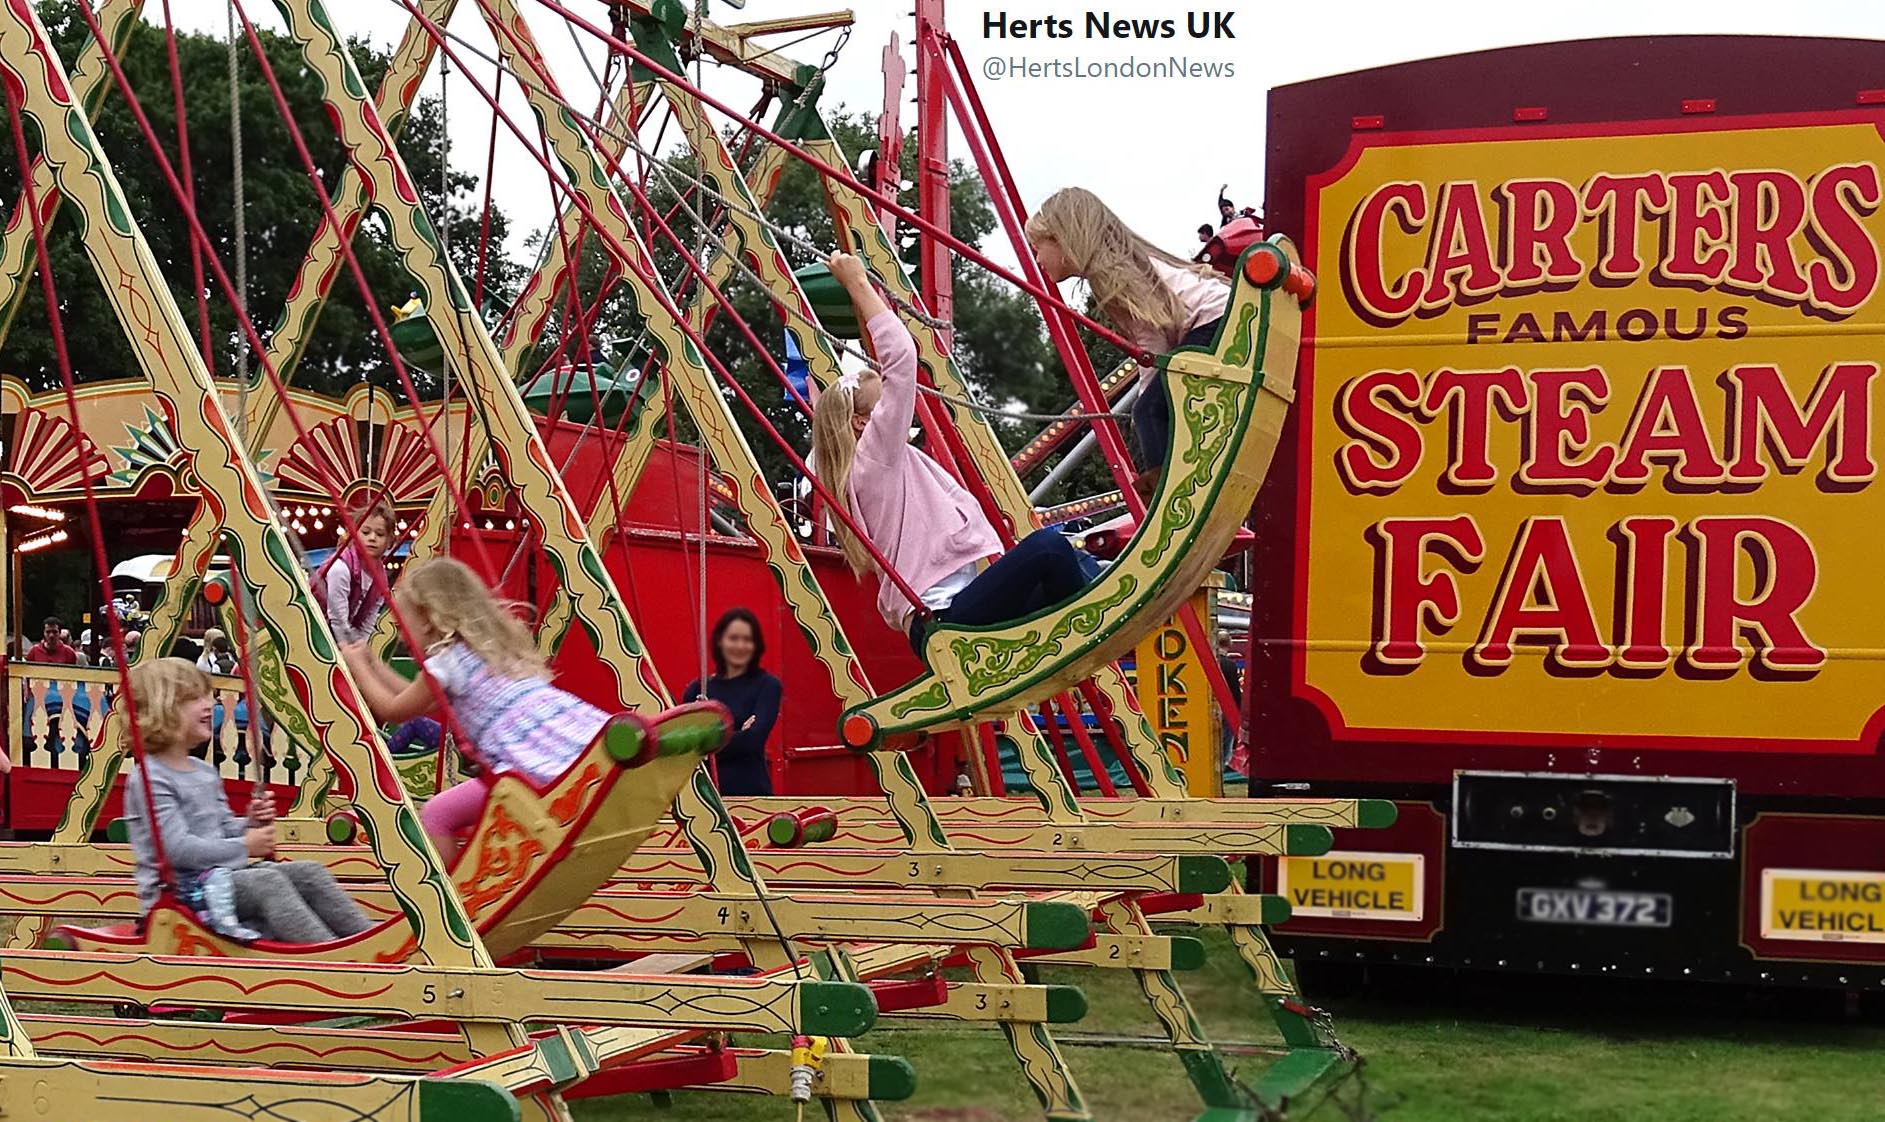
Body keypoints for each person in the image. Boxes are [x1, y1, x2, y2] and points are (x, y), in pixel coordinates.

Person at [809, 251, 1094, 653]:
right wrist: (858, 285)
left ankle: (1084, 625)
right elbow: (903, 359)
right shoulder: (873, 459)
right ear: (862, 422)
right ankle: (1090, 632)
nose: (899, 409)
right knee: (1048, 548)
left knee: (1077, 562)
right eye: (885, 403)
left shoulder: (874, 468)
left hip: (954, 613)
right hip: (945, 621)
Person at [340, 557, 608, 864]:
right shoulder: (488, 649)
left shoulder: (447, 662)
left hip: (522, 766)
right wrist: (375, 665)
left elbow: (393, 710)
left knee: (436, 815)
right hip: (558, 745)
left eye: (403, 626)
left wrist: (358, 667)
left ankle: (450, 898)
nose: (401, 637)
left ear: (427, 618)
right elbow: (413, 699)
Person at [121, 658, 371, 943]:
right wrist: (245, 845)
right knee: (267, 882)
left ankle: (363, 940)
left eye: (207, 696)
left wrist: (248, 824)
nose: (209, 704)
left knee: (309, 872)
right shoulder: (149, 778)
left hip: (221, 879)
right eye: (194, 699)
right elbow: (177, 849)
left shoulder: (204, 771)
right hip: (181, 893)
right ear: (162, 709)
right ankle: (324, 952)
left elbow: (222, 828)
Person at [1026, 187, 1230, 489]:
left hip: (1212, 320)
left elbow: (1152, 344)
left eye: (1039, 246)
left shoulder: (1115, 276)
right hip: (1217, 315)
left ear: (1063, 240)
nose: (1037, 257)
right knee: (1162, 405)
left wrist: (1146, 395)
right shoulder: (1122, 264)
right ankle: (1178, 478)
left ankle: (1168, 492)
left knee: (1149, 410)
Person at [683, 608, 782, 796]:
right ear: (720, 641)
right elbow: (687, 746)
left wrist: (707, 743)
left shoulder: (768, 685)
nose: (740, 646)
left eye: (747, 640)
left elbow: (753, 740)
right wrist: (737, 734)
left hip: (751, 795)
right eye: (734, 638)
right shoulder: (698, 689)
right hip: (706, 796)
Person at [315, 496, 397, 645]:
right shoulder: (340, 569)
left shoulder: (380, 580)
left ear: (389, 540)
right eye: (365, 532)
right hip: (316, 632)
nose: (372, 538)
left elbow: (367, 623)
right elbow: (338, 620)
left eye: (380, 534)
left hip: (340, 636)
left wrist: (360, 647)